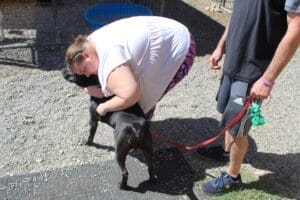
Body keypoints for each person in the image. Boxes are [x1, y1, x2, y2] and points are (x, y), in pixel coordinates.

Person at [197, 0, 300, 195]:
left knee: (238, 127)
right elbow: (237, 12)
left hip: (254, 72)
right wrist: (221, 46)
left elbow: (296, 30)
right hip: (233, 61)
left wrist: (268, 80)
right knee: (226, 113)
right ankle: (226, 151)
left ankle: (233, 177)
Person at [65, 16, 195, 120]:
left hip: (179, 46)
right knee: (132, 83)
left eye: (84, 70)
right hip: (168, 29)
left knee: (142, 98)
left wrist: (104, 107)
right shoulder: (89, 41)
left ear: (86, 55)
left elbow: (131, 96)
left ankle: (141, 128)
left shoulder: (110, 61)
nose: (87, 75)